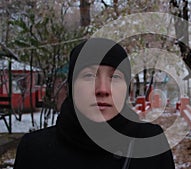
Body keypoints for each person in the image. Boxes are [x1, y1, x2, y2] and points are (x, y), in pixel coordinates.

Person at [14, 38, 175, 169]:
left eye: (115, 77)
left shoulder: (151, 145)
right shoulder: (35, 151)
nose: (103, 89)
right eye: (89, 76)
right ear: (71, 86)